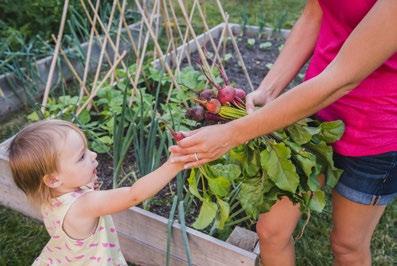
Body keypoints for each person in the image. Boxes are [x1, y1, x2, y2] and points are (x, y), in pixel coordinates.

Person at [170, 1, 397, 265]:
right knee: (271, 232)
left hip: (376, 131)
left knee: (347, 245)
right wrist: (269, 89)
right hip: (309, 111)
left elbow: (342, 78)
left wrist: (232, 134)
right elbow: (315, 14)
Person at [8, 119, 183, 265]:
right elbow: (133, 195)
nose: (93, 155)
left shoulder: (50, 197)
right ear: (53, 180)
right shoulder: (84, 205)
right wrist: (174, 164)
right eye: (81, 156)